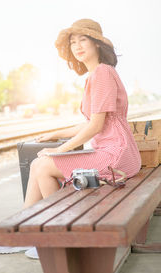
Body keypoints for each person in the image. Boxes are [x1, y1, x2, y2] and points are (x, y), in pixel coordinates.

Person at [23, 18, 141, 259]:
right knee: (38, 165)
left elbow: (96, 126)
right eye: (73, 42)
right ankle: (28, 231)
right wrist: (55, 134)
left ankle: (58, 237)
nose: (77, 46)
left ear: (97, 44)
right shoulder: (96, 76)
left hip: (115, 154)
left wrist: (60, 150)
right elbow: (90, 123)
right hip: (115, 151)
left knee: (44, 166)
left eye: (83, 40)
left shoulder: (102, 73)